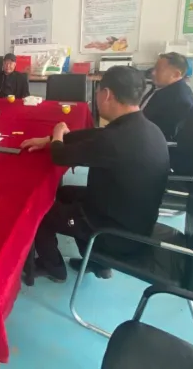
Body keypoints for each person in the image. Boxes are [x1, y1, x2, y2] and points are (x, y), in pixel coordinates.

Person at [19, 66, 169, 283]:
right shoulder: (145, 128)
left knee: (39, 212)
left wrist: (58, 134)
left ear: (106, 94)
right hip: (135, 221)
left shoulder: (115, 141)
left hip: (112, 233)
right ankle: (99, 264)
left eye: (98, 92)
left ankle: (54, 268)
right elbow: (95, 135)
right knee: (63, 193)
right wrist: (49, 139)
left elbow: (60, 156)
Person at [142, 52, 193, 141]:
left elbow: (163, 134)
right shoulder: (163, 87)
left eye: (159, 70)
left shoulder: (180, 101)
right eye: (154, 68)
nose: (153, 73)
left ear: (176, 74)